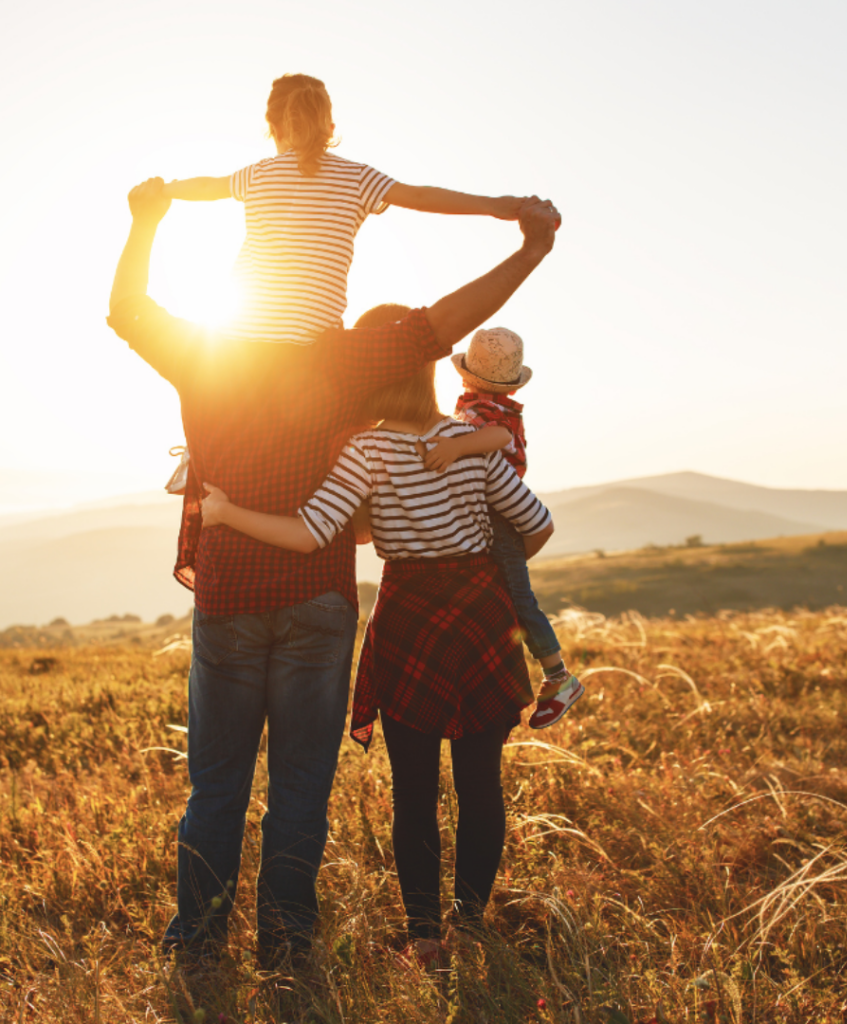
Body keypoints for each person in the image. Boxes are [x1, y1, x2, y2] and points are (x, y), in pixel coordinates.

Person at [106, 176, 561, 967]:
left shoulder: (204, 351)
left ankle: (199, 943)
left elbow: (128, 309)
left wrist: (146, 222)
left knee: (216, 786)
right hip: (320, 600)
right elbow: (448, 322)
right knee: (301, 789)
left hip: (229, 597)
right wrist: (529, 247)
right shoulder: (349, 356)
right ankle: (287, 945)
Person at [199, 331, 555, 966]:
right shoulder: (466, 440)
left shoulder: (366, 449)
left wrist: (225, 514)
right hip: (478, 616)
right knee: (481, 786)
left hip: (409, 618)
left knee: (412, 791)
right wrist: (481, 570)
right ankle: (469, 926)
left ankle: (425, 937)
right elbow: (538, 524)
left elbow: (311, 534)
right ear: (427, 376)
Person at [163, 73, 525, 346]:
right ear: (330, 127)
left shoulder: (258, 174)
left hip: (239, 335)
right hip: (312, 342)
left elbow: (208, 186)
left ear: (272, 128)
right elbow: (421, 197)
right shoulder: (357, 177)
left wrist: (164, 190)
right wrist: (495, 205)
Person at [421, 326, 584, 727]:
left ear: (465, 374)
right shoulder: (485, 405)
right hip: (493, 512)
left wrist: (456, 447)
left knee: (517, 598)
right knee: (500, 596)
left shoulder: (488, 413)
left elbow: (496, 438)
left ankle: (558, 676)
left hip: (498, 513)